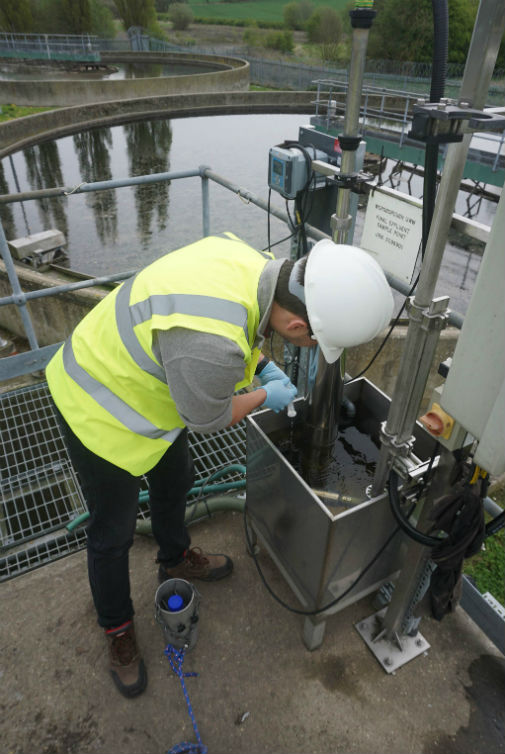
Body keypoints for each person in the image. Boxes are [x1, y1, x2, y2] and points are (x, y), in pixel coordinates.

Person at [45, 232, 393, 698]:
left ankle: (174, 559)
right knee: (113, 533)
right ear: (297, 325)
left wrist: (263, 366)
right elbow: (206, 417)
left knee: (177, 479)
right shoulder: (210, 345)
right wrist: (265, 394)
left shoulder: (254, 264)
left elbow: (242, 328)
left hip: (149, 379)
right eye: (311, 341)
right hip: (96, 403)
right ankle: (117, 629)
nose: (307, 348)